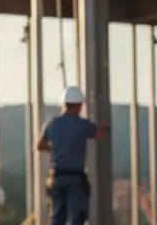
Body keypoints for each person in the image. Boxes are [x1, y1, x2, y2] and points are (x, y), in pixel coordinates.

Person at [36, 86, 107, 225]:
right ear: (79, 106)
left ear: (64, 104)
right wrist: (104, 126)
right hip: (75, 176)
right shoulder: (82, 124)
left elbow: (39, 145)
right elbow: (100, 134)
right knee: (77, 216)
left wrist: (53, 148)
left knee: (57, 217)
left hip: (56, 177)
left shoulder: (52, 123)